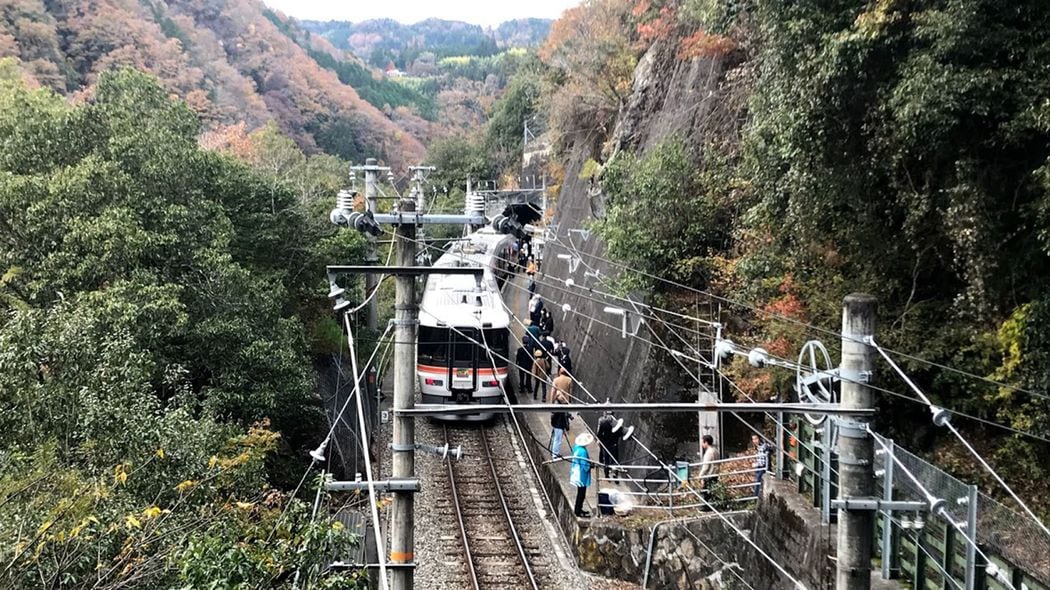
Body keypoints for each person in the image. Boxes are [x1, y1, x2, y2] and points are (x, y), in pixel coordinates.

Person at [570, 432, 594, 517]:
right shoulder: (583, 451)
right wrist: (591, 465)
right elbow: (585, 464)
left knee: (579, 493)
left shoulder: (576, 448)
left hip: (575, 472)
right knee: (581, 494)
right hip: (581, 475)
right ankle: (578, 510)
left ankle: (578, 509)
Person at [596, 411, 620, 479]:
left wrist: (602, 441)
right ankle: (615, 474)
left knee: (607, 460)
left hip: (607, 445)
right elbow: (620, 432)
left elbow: (599, 435)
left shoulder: (603, 423)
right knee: (615, 460)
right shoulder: (617, 423)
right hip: (614, 444)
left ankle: (607, 474)